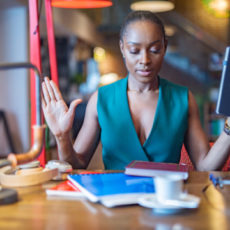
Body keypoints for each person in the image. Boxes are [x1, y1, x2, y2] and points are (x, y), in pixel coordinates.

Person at [42, 10, 230, 171]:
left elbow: (205, 167)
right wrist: (62, 137)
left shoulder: (183, 99)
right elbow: (76, 166)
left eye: (155, 49)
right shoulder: (102, 99)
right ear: (122, 48)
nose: (145, 60)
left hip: (166, 206)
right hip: (114, 205)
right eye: (134, 50)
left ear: (164, 47)